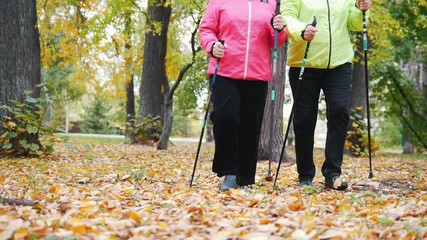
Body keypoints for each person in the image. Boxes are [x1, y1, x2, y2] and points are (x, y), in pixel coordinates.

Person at [282, 0, 371, 190]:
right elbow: (287, 18)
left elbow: (355, 23)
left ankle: (333, 173)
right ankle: (305, 175)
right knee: (304, 120)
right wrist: (302, 30)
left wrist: (360, 9)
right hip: (305, 62)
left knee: (339, 111)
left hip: (339, 64)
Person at [199, 0, 287, 191]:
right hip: (225, 71)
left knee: (250, 125)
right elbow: (206, 29)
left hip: (257, 73)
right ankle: (229, 173)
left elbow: (276, 41)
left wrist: (279, 30)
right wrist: (212, 45)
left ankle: (245, 178)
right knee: (226, 117)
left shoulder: (268, 2)